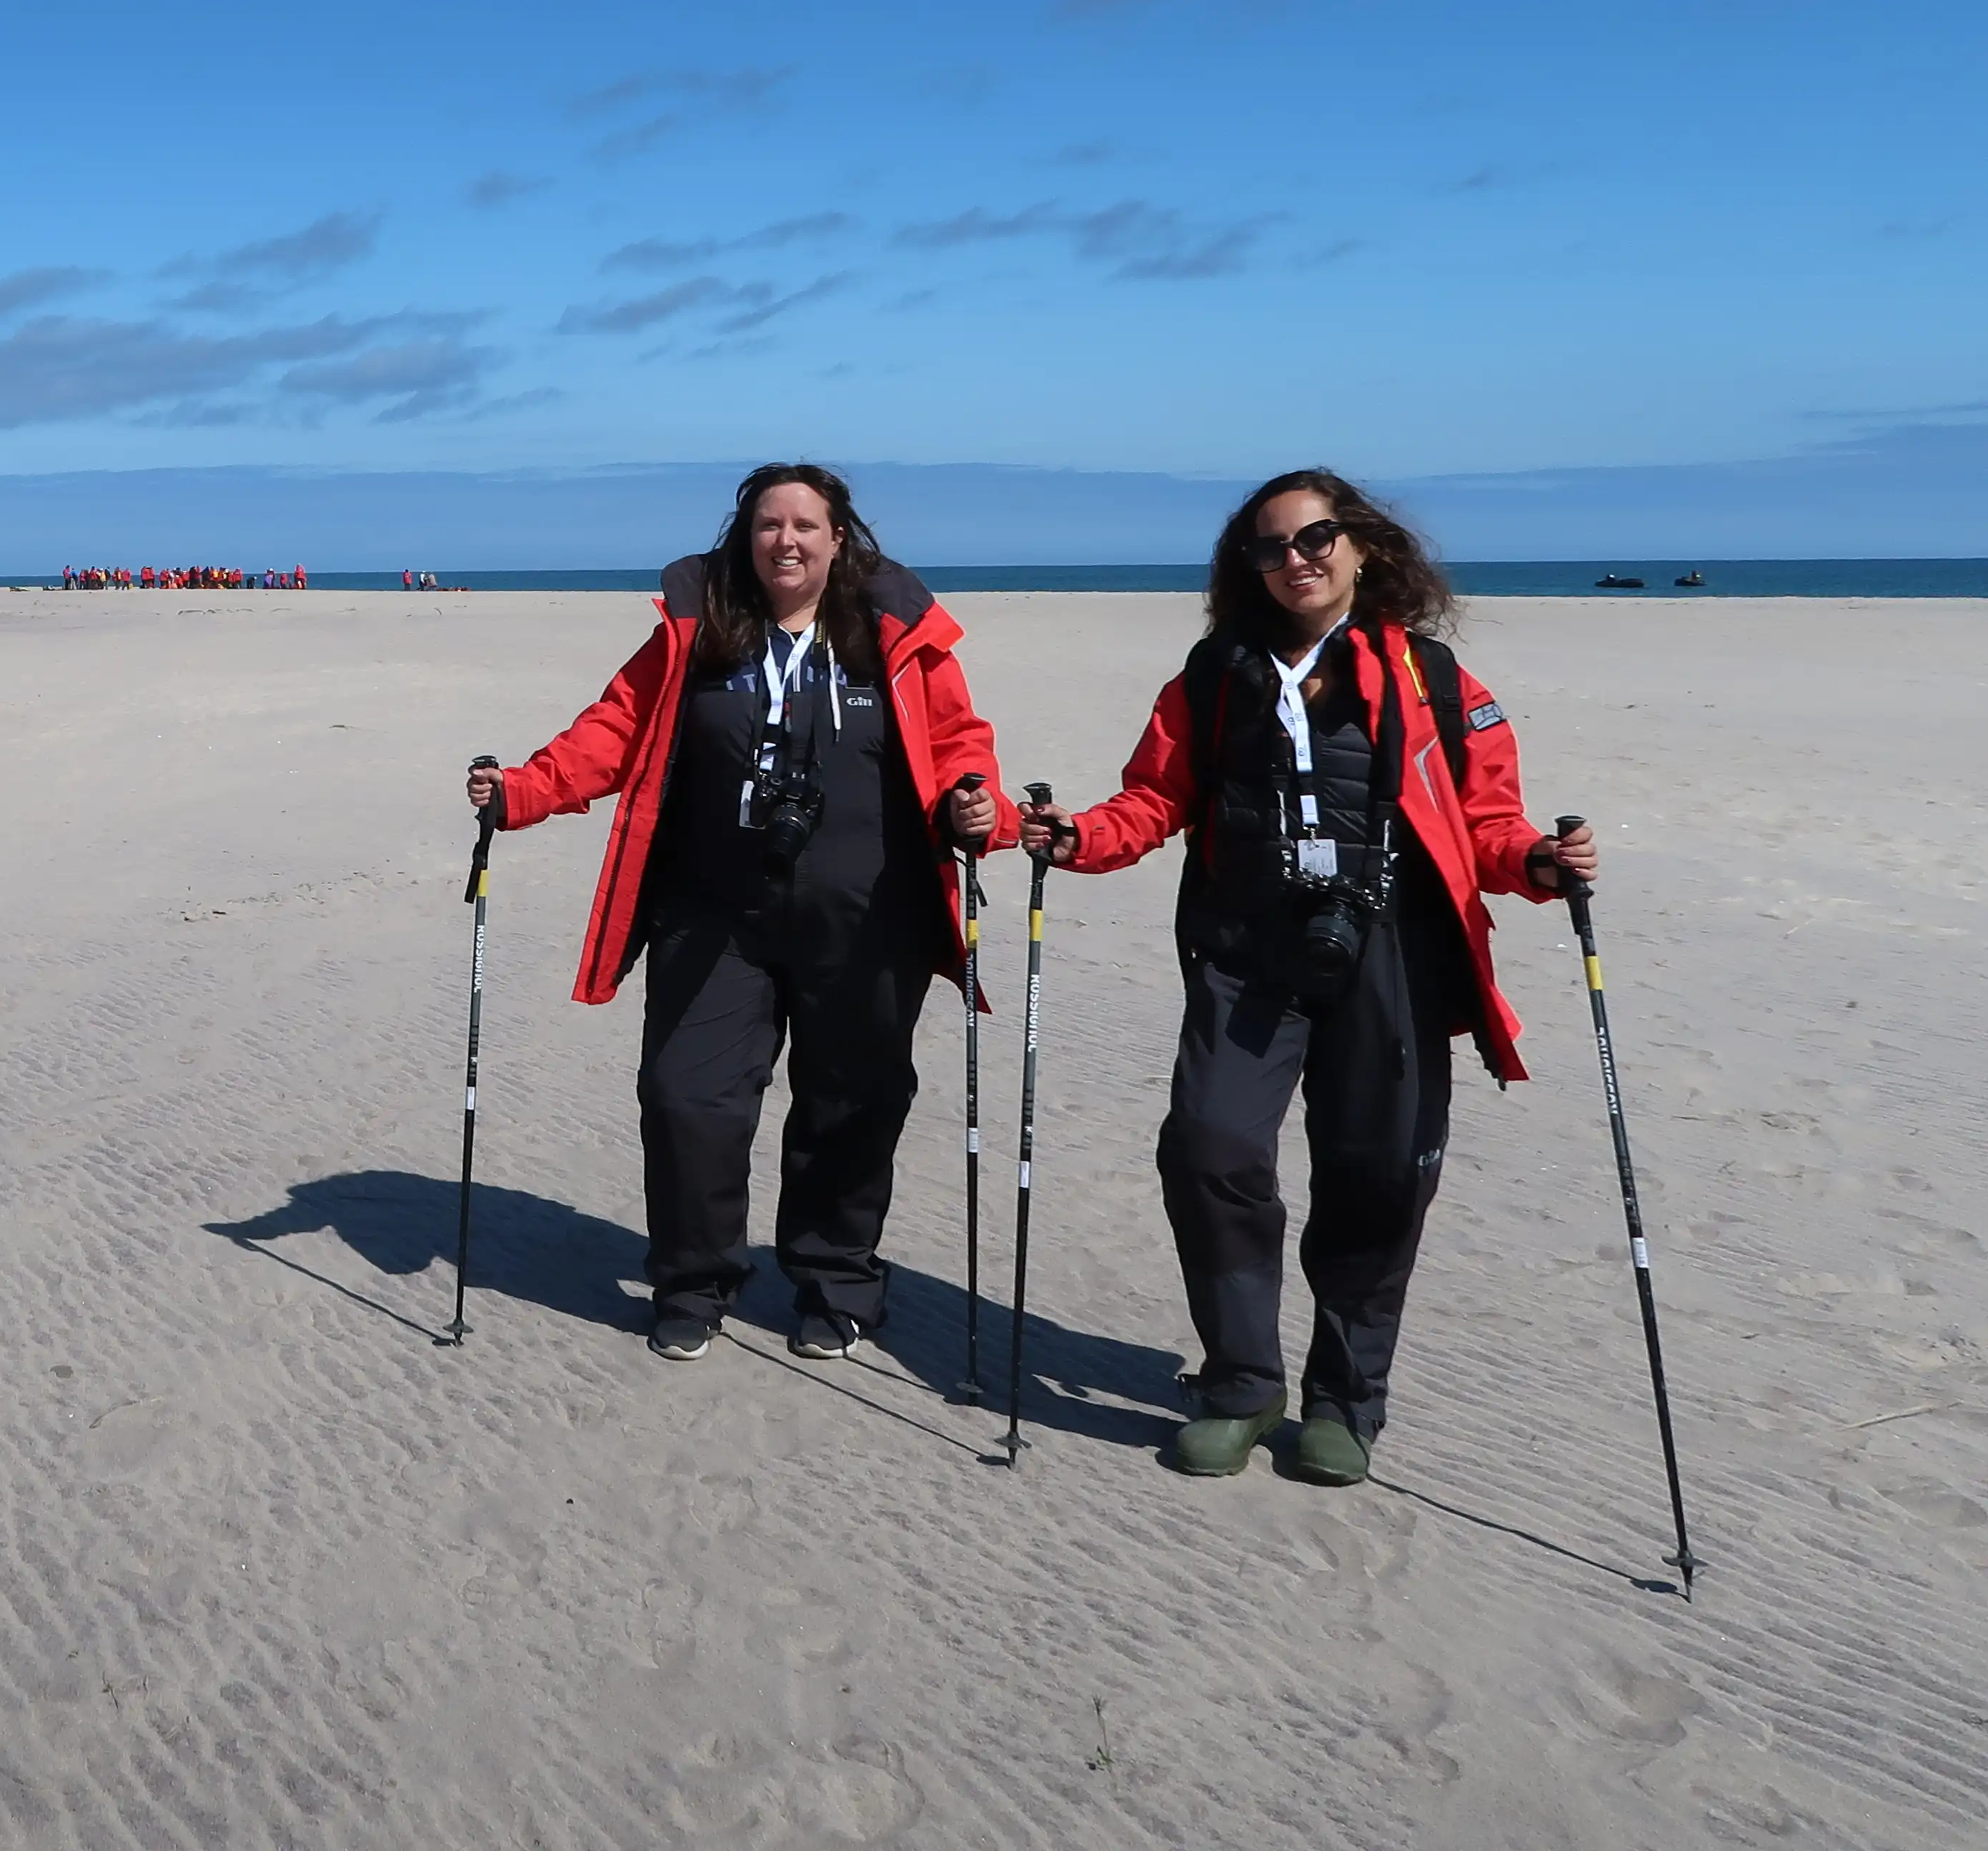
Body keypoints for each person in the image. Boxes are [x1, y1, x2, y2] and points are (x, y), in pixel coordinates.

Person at [1021, 469, 1598, 1486]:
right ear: (1248, 568)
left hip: (1394, 958)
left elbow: (1492, 826)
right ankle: (1242, 1383)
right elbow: (1152, 801)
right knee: (1209, 1148)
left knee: (1378, 1176)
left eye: (1317, 537)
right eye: (1274, 546)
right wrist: (1077, 839)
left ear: (1364, 547)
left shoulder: (1436, 681)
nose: (1299, 559)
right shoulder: (1210, 677)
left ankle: (1345, 1401)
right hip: (1247, 953)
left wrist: (1543, 867)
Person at [466, 464, 1011, 1363]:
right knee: (687, 1099)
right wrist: (522, 792)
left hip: (869, 921)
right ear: (744, 536)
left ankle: (836, 1283)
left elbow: (959, 745)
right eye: (768, 525)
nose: (786, 541)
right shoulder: (700, 632)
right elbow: (613, 730)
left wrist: (976, 804)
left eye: (806, 524)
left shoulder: (896, 639)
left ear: (841, 538)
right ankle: (692, 1280)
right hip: (714, 915)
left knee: (852, 1105)